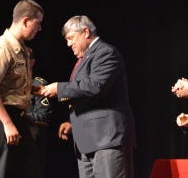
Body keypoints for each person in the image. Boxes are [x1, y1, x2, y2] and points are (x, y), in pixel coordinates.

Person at [40, 15, 136, 178]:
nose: (69, 44)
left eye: (71, 38)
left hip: (107, 139)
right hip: (87, 141)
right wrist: (72, 122)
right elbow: (87, 96)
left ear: (85, 32)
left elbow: (95, 86)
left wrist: (59, 88)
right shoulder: (86, 58)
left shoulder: (106, 52)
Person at [0, 0, 44, 178]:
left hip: (16, 117)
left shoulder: (22, 50)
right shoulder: (2, 46)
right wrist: (7, 123)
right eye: (38, 24)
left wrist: (34, 90)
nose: (40, 29)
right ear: (26, 21)